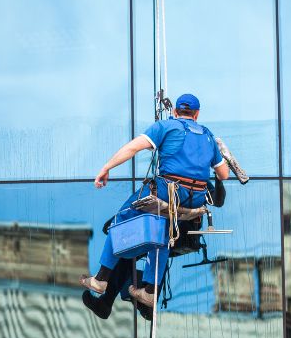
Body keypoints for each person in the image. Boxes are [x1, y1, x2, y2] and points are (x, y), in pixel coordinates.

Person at [80, 93, 230, 309]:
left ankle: (101, 279)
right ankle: (150, 291)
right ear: (197, 114)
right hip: (193, 200)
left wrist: (106, 168)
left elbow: (133, 147)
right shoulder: (208, 135)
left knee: (119, 222)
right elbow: (223, 175)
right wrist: (221, 157)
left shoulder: (166, 127)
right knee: (162, 235)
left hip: (167, 192)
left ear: (175, 112)